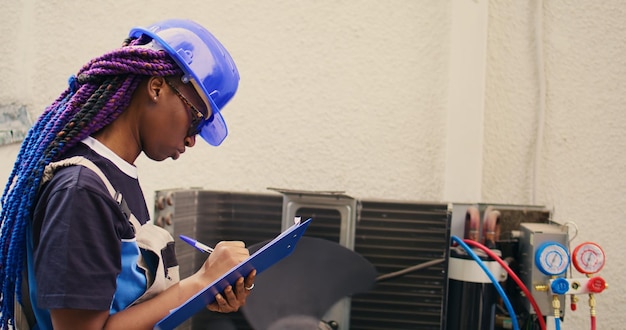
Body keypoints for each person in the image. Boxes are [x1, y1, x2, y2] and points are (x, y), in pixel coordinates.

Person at [0, 19, 255, 330]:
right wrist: (201, 282)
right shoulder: (82, 190)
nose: (192, 139)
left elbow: (124, 310)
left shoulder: (113, 177)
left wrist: (206, 290)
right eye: (196, 120)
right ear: (157, 87)